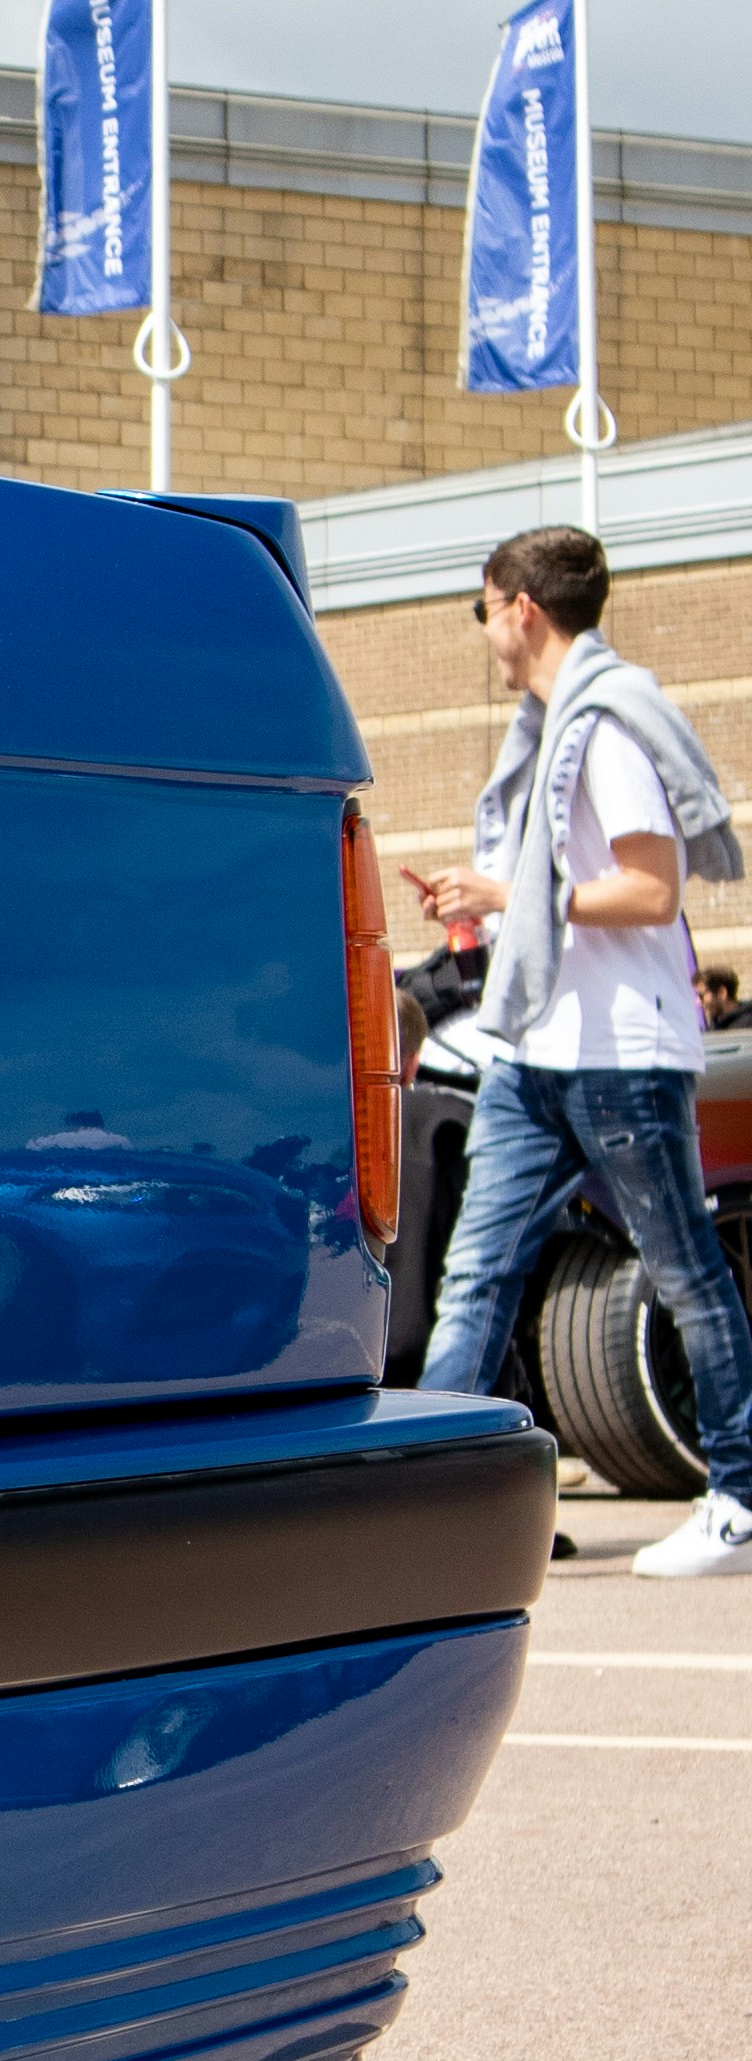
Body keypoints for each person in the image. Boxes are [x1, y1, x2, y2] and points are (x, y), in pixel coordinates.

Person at [405, 526, 752, 1577]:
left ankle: (738, 1499)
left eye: (482, 610)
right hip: (535, 1048)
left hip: (621, 1054)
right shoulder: (548, 731)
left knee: (684, 1272)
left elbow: (651, 889)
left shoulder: (605, 727)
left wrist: (509, 892)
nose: (483, 633)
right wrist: (490, 907)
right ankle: (434, 1511)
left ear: (522, 609)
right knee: (476, 1274)